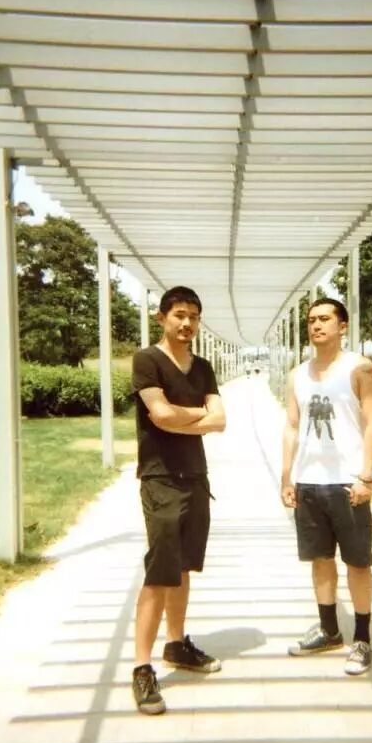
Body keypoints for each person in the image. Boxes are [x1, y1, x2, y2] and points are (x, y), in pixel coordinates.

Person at [131, 286, 226, 714]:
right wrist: (197, 415)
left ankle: (175, 644)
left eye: (193, 316)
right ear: (162, 318)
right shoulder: (147, 360)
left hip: (196, 478)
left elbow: (220, 420)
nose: (187, 323)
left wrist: (178, 417)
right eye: (179, 315)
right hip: (161, 478)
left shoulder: (202, 367)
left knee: (184, 566)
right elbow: (161, 414)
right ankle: (142, 667)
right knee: (160, 570)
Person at [281, 298, 372, 675]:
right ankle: (328, 631)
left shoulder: (361, 368)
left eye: (325, 319)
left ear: (342, 326)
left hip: (347, 481)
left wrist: (365, 475)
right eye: (311, 320)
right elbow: (293, 426)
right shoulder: (297, 375)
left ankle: (362, 639)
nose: (316, 325)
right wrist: (287, 476)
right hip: (309, 481)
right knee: (320, 559)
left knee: (357, 562)